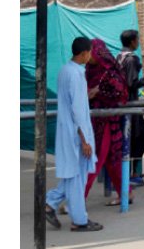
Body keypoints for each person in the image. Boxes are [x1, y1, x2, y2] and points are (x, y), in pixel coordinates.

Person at [45, 37, 103, 232]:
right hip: (76, 134)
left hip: (68, 130)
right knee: (77, 176)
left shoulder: (66, 70)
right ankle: (79, 220)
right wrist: (84, 140)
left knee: (74, 174)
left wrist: (87, 96)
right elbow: (77, 109)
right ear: (84, 53)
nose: (91, 56)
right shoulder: (76, 75)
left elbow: (73, 101)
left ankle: (51, 203)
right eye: (90, 52)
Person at [83, 38, 130, 205]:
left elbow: (120, 94)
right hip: (93, 120)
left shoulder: (111, 71)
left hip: (107, 122)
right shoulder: (89, 70)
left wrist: (99, 92)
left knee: (94, 159)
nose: (87, 56)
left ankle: (78, 198)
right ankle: (126, 193)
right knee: (112, 160)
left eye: (90, 52)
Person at [116, 29, 144, 185]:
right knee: (141, 137)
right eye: (137, 39)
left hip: (121, 102)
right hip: (130, 102)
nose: (139, 42)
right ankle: (132, 173)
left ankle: (130, 173)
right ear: (133, 41)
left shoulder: (119, 56)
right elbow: (131, 83)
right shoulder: (131, 58)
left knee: (131, 137)